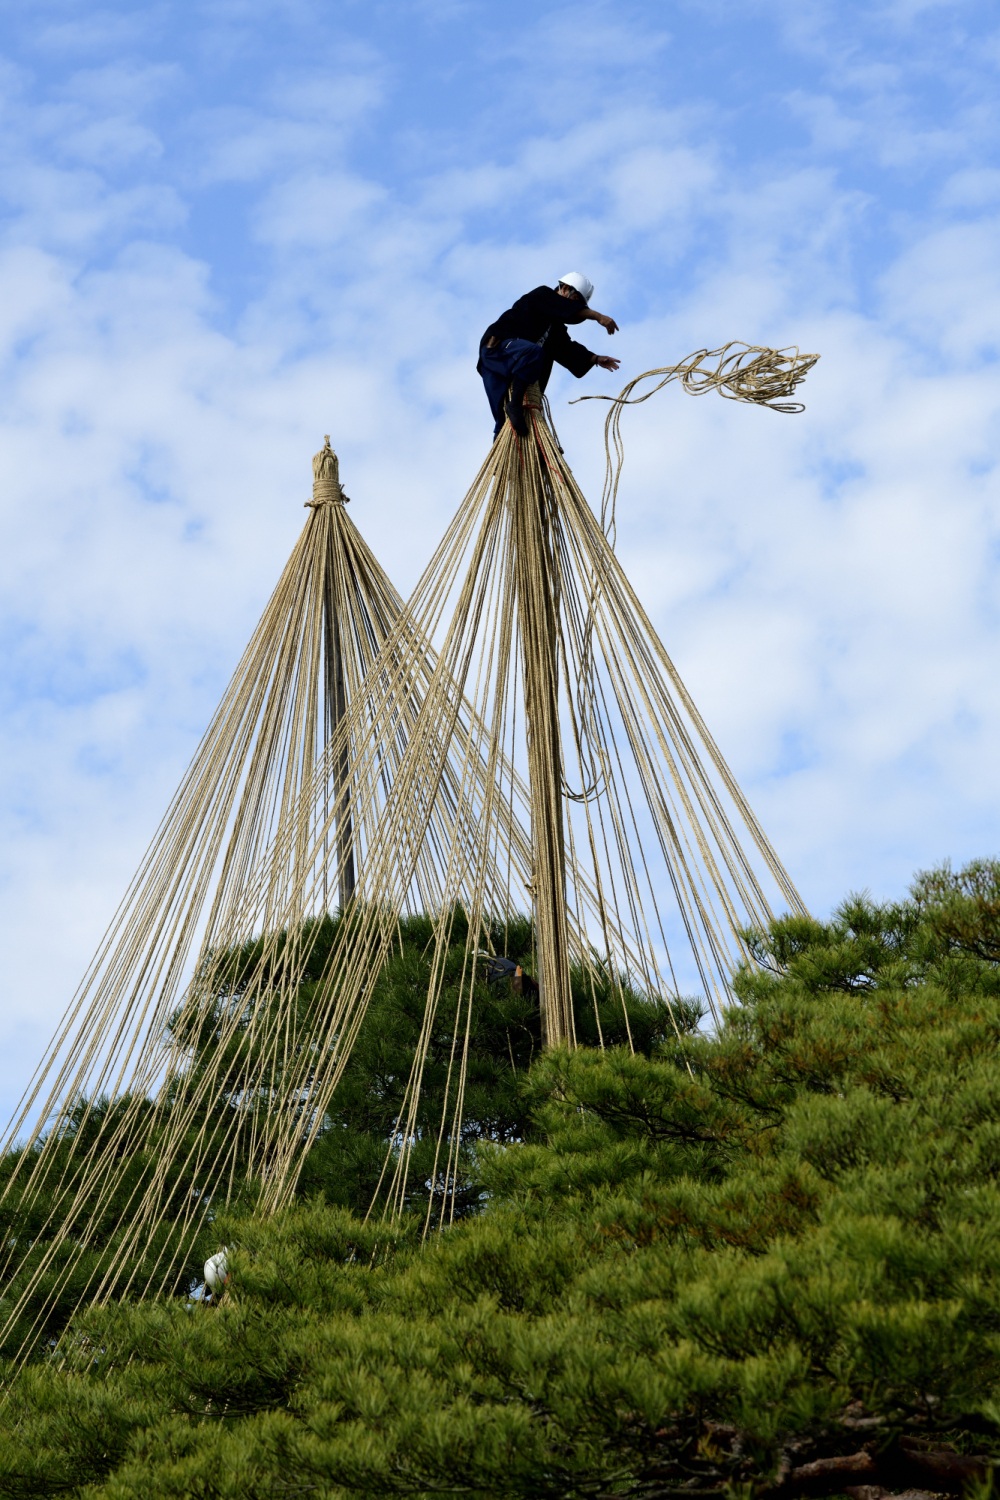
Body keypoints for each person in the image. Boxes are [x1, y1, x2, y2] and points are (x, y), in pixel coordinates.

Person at [477, 272, 620, 438]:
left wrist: (595, 359)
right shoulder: (543, 295)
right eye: (575, 301)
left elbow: (566, 348)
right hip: (498, 350)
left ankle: (507, 452)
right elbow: (565, 308)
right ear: (565, 289)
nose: (575, 308)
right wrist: (597, 316)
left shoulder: (555, 328)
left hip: (509, 366)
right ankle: (514, 405)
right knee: (533, 352)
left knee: (504, 426)